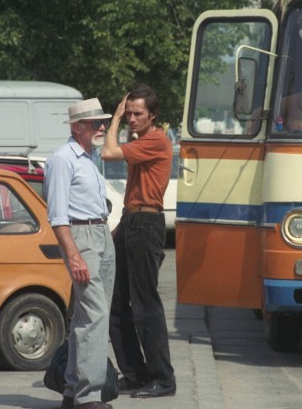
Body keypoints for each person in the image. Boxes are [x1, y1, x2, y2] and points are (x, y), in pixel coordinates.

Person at [101, 84, 176, 398]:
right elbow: (134, 191)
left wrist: (114, 117)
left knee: (145, 305)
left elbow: (107, 152)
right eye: (128, 113)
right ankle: (134, 372)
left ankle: (163, 378)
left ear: (152, 115)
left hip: (146, 223)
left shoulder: (156, 140)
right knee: (117, 304)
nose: (131, 118)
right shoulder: (143, 141)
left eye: (137, 113)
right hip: (133, 220)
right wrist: (121, 223)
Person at [44, 98, 116, 409]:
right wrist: (73, 254)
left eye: (103, 122)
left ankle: (74, 391)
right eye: (95, 123)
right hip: (81, 236)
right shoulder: (63, 159)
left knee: (90, 317)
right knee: (95, 315)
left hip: (101, 232)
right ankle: (88, 396)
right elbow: (58, 214)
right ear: (77, 128)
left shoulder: (89, 157)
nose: (102, 127)